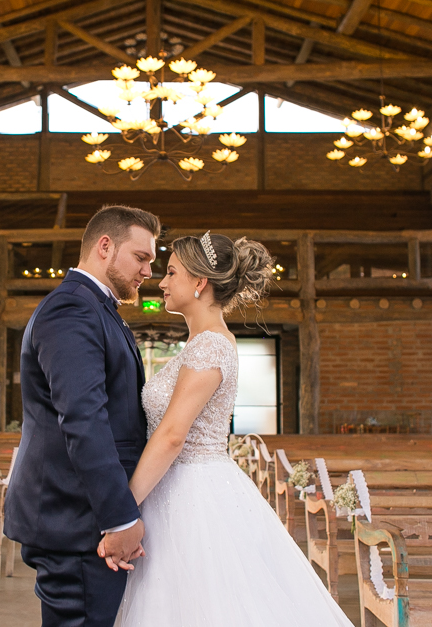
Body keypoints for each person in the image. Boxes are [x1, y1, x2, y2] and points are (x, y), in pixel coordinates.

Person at [110, 232, 355, 626]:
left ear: (199, 283)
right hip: (177, 488)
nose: (162, 282)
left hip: (193, 493)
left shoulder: (210, 346)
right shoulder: (199, 344)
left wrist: (124, 506)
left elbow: (173, 435)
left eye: (172, 272)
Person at [5, 205, 161, 627]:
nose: (149, 270)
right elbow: (83, 420)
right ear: (105, 246)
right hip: (76, 517)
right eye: (141, 257)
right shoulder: (72, 309)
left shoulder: (98, 308)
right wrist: (120, 517)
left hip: (82, 514)